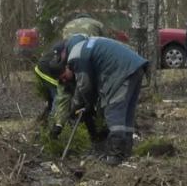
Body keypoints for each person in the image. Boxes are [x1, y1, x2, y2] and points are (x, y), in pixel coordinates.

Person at [52, 34, 149, 164]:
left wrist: (88, 105)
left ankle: (116, 155)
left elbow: (84, 85)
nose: (65, 80)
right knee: (127, 113)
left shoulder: (76, 56)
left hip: (119, 72)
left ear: (66, 64)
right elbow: (84, 85)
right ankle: (126, 151)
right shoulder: (85, 45)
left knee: (114, 111)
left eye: (63, 76)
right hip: (135, 67)